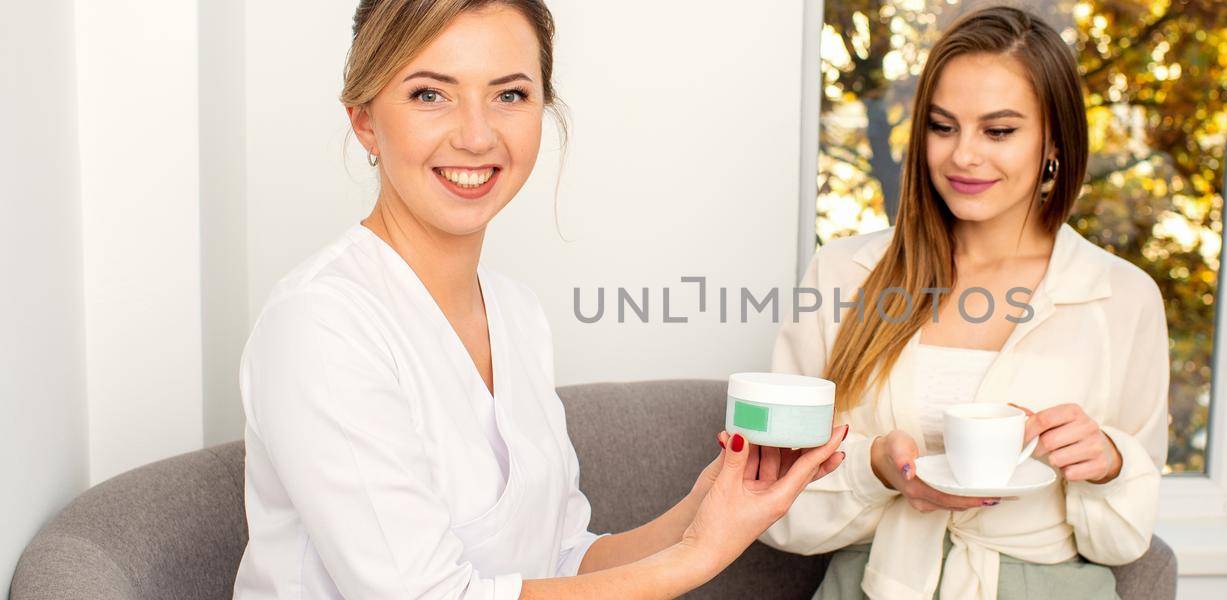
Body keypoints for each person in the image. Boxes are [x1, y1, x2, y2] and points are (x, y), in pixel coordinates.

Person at [231, 2, 845, 598]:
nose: (476, 136)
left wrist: (707, 510)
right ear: (364, 119)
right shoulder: (321, 325)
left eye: (509, 95)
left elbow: (564, 562)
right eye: (429, 93)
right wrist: (696, 557)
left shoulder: (515, 313)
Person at [759, 7, 1169, 599]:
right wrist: (876, 469)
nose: (963, 157)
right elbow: (773, 506)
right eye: (942, 127)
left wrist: (1107, 464)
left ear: (1054, 140)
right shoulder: (844, 275)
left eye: (998, 131)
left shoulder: (1123, 298)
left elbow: (1124, 541)